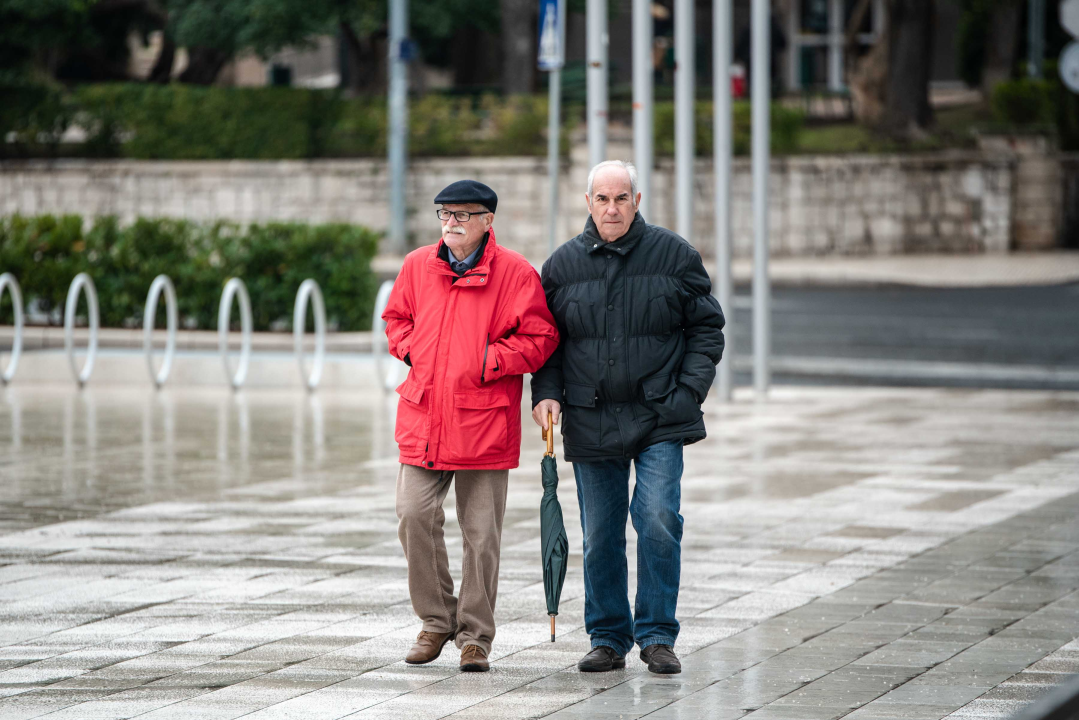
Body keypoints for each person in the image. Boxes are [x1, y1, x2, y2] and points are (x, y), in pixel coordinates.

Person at [530, 161, 725, 675]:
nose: (611, 208)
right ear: (587, 202)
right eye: (602, 198)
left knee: (659, 519)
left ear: (637, 201)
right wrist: (546, 394)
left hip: (661, 414)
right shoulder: (562, 266)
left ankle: (658, 635)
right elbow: (547, 344)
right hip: (590, 416)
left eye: (621, 198)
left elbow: (707, 329)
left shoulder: (675, 255)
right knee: (600, 534)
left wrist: (689, 392)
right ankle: (608, 637)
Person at [382, 179, 560, 672]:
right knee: (413, 514)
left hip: (483, 421)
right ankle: (437, 621)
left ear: (488, 221)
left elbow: (541, 337)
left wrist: (488, 360)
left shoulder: (517, 273)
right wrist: (412, 348)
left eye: (463, 214)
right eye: (445, 213)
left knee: (481, 535)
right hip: (426, 416)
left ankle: (475, 637)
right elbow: (396, 318)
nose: (452, 222)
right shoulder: (418, 265)